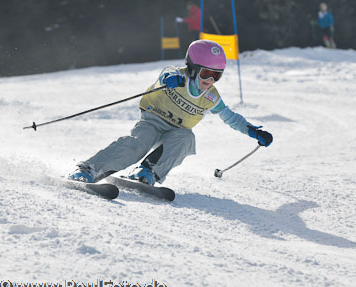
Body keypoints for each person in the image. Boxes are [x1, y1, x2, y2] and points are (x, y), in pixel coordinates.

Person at [69, 40, 273, 185]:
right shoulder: (177, 76)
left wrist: (252, 131)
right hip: (153, 121)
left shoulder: (211, 96)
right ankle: (89, 169)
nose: (210, 80)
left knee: (186, 138)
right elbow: (166, 73)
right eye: (206, 73)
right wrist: (168, 80)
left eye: (216, 76)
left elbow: (230, 117)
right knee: (139, 144)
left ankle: (147, 172)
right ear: (193, 68)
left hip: (176, 130)